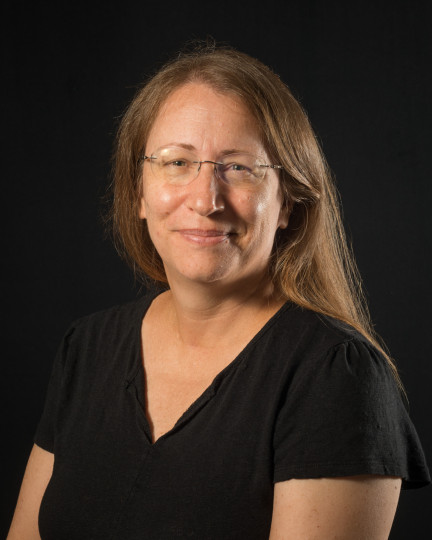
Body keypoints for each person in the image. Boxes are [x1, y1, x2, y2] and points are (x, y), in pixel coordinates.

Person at [8, 44, 430, 540]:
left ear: (289, 203)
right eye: (176, 163)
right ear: (139, 191)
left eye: (239, 168)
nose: (206, 200)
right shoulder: (87, 348)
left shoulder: (337, 376)